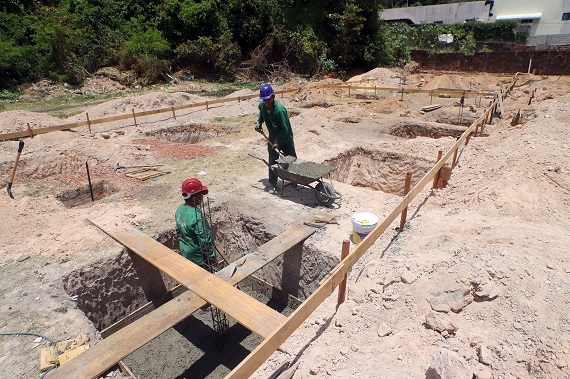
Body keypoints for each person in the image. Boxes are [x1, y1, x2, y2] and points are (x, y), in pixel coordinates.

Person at [255, 83, 297, 192]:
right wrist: (259, 123)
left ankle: (295, 179)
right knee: (273, 161)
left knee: (291, 159)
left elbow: (285, 129)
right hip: (273, 138)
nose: (267, 102)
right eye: (264, 100)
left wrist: (278, 142)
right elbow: (261, 114)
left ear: (273, 97)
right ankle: (272, 183)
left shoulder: (280, 110)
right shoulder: (262, 106)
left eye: (268, 99)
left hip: (286, 138)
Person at [175, 178, 217, 270]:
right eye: (201, 194)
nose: (202, 197)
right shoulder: (197, 217)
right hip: (198, 258)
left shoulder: (179, 209)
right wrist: (211, 257)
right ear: (194, 196)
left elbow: (178, 230)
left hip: (185, 252)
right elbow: (205, 240)